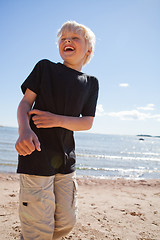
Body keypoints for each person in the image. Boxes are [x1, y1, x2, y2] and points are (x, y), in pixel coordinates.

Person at [15, 20, 99, 240]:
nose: (67, 41)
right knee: (37, 225)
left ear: (88, 49)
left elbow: (87, 122)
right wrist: (24, 130)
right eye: (63, 38)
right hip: (35, 153)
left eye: (74, 38)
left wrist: (56, 119)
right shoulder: (45, 68)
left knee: (66, 220)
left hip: (65, 158)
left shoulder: (91, 83)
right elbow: (25, 104)